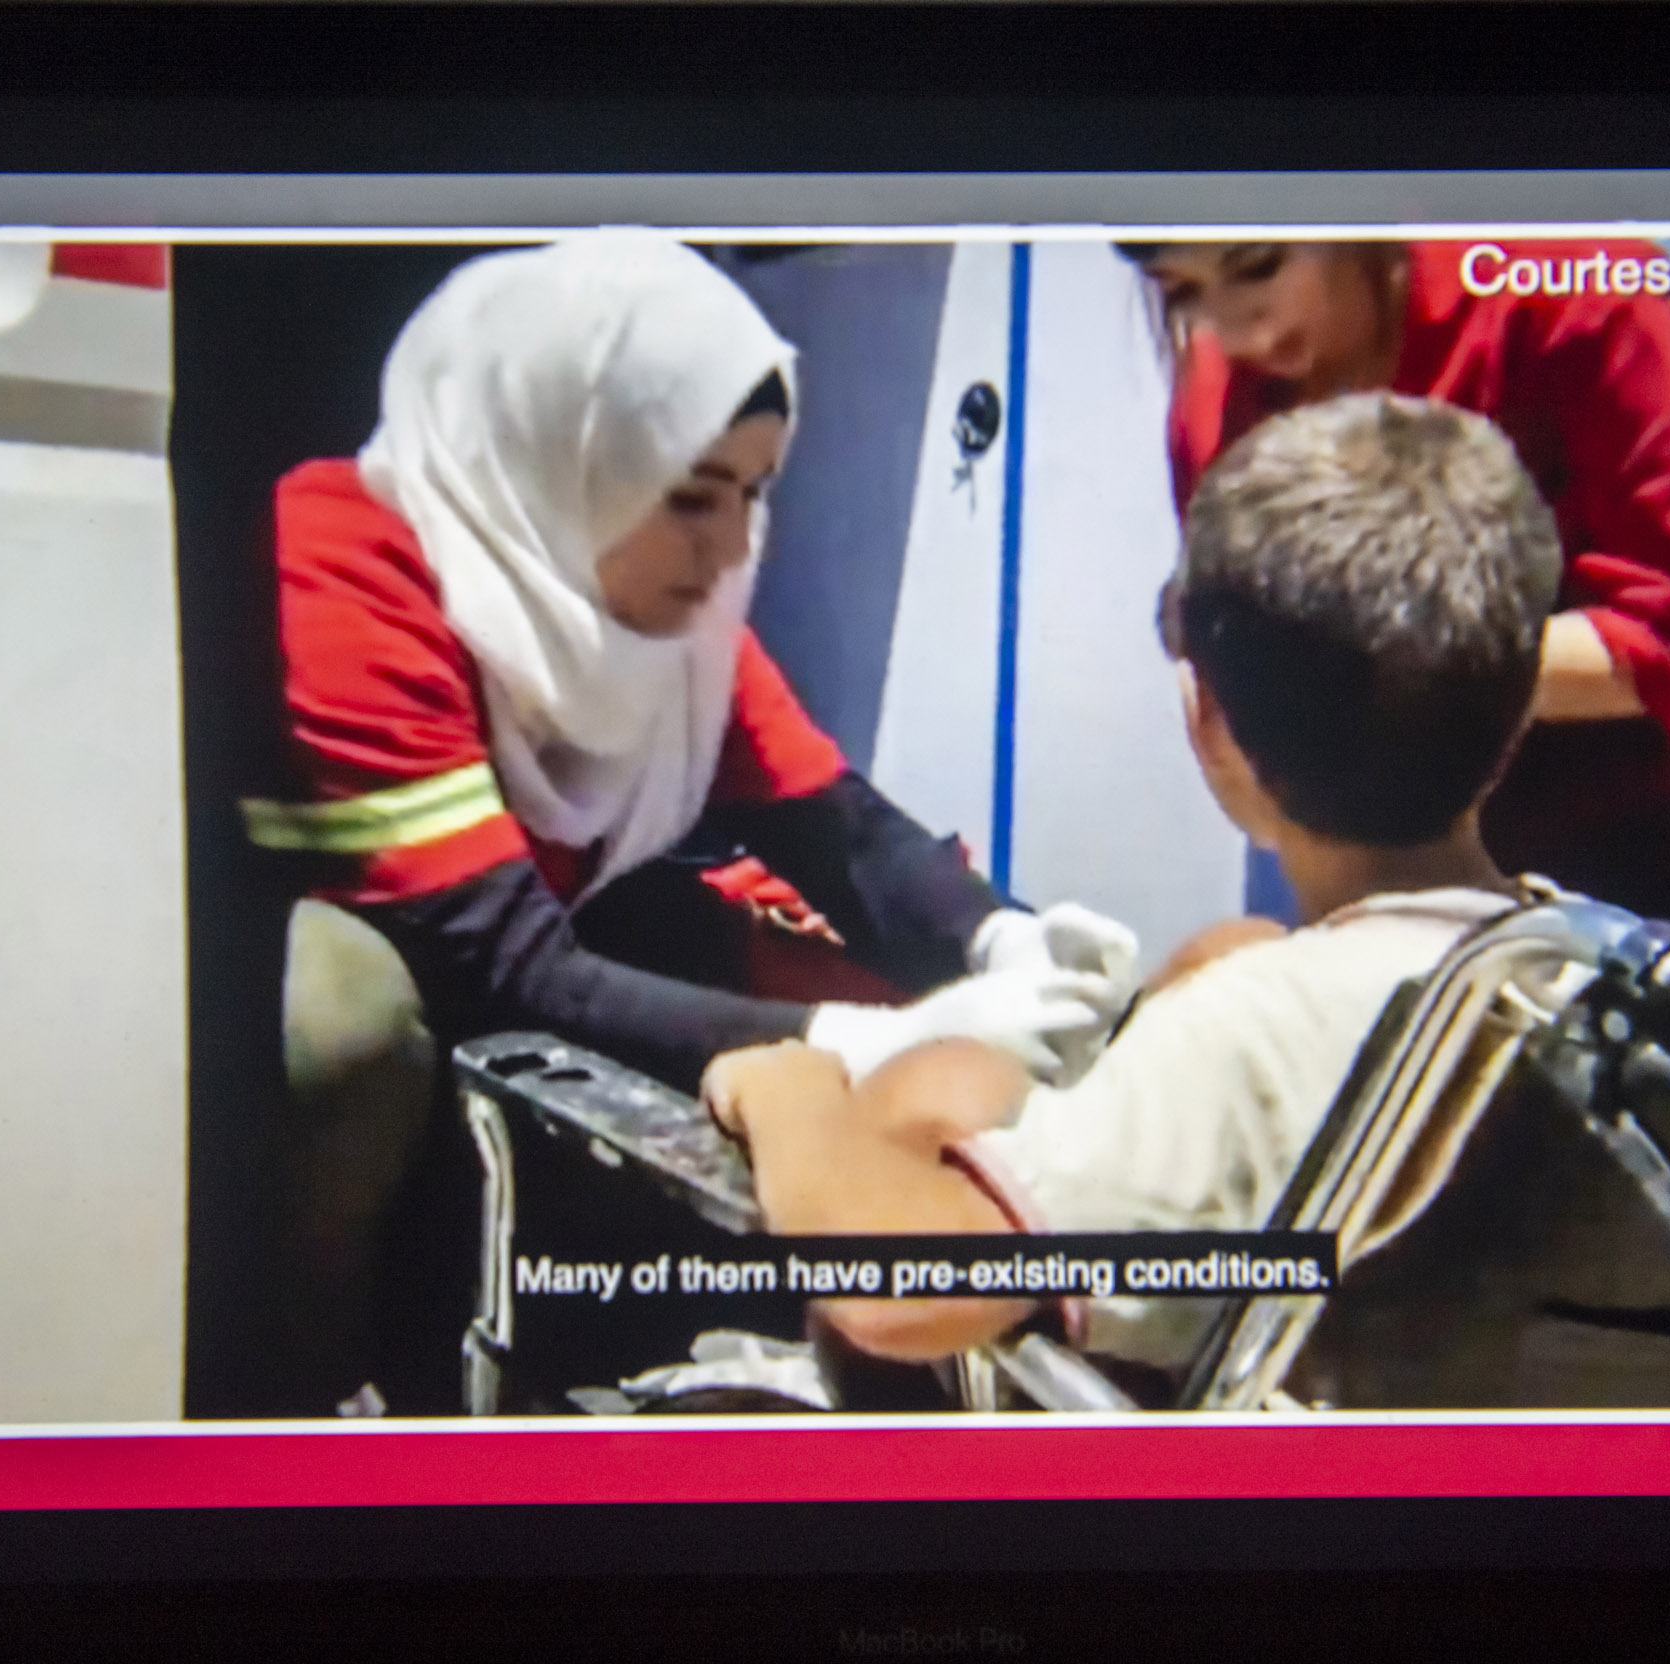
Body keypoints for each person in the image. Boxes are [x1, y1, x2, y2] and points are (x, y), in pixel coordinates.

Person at [241, 235, 1135, 1408]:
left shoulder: (664, 609)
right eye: (689, 497)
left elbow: (836, 829)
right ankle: (292, 1399)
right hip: (364, 973)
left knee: (759, 945)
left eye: (754, 495)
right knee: (342, 1012)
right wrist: (849, 1045)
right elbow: (503, 958)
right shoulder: (347, 564)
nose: (729, 551)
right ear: (567, 458)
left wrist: (1006, 942)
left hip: (527, 931)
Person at [703, 392, 1559, 1374]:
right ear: (1524, 701)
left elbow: (904, 1289)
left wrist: (789, 1089)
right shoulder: (1611, 984)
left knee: (932, 1089)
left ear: (1210, 726)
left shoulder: (1265, 1033)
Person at [1120, 239, 1670, 966]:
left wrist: (1358, 656)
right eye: (1182, 292)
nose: (1240, 333)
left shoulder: (1572, 285)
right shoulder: (1215, 404)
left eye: (1260, 266)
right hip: (1415, 905)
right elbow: (1260, 757)